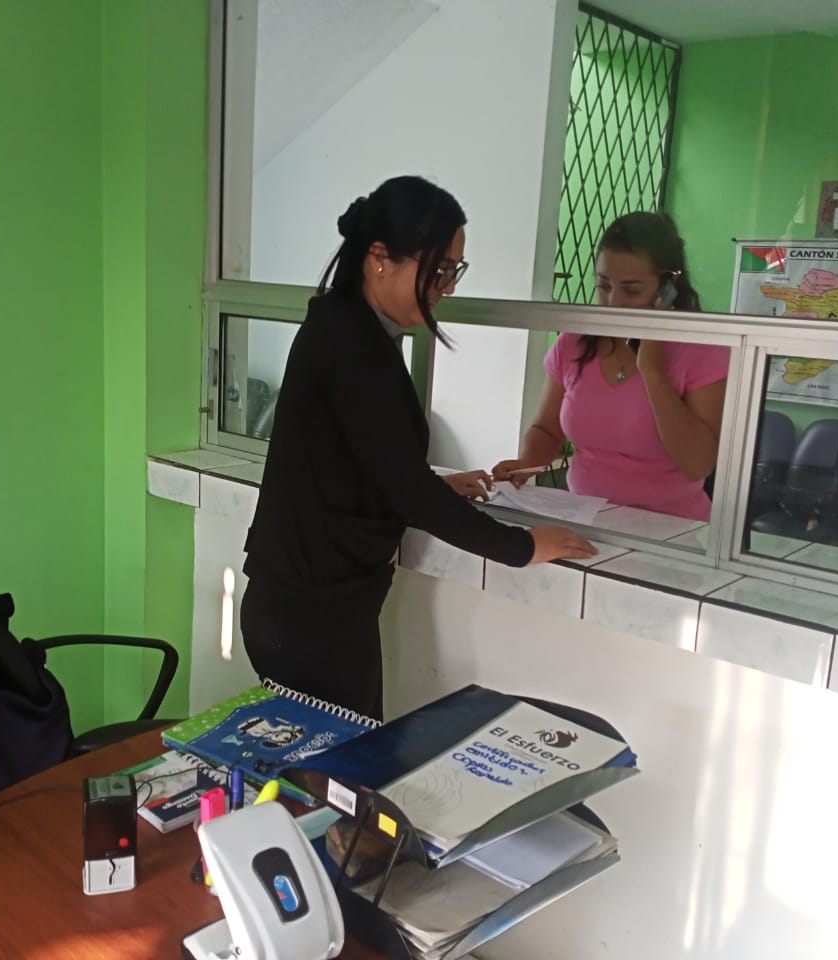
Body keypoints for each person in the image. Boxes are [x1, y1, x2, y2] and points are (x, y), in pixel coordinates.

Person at [241, 175, 596, 719]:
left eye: (455, 270)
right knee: (344, 766)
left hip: (312, 607)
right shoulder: (351, 343)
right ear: (380, 258)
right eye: (440, 268)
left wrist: (437, 485)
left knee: (349, 759)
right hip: (310, 616)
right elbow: (407, 490)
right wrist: (522, 547)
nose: (447, 287)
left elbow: (362, 463)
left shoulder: (348, 327)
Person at [493, 212, 729, 521]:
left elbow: (697, 464)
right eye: (603, 286)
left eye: (631, 290)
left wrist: (652, 369)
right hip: (584, 518)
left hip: (669, 527)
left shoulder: (702, 349)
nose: (613, 302)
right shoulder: (575, 342)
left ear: (668, 287)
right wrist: (525, 465)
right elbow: (547, 429)